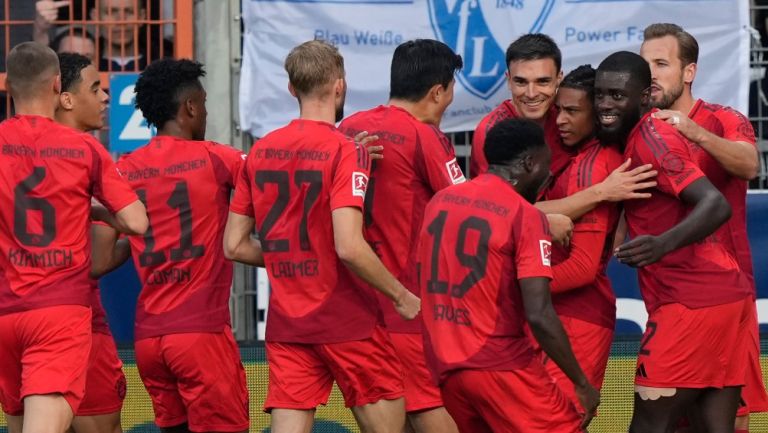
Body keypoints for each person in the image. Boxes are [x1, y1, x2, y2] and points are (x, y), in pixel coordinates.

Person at [223, 39, 420, 433]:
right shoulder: (345, 151)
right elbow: (348, 246)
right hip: (347, 319)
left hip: (288, 324)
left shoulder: (260, 151)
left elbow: (234, 245)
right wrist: (401, 295)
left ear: (292, 88)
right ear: (340, 86)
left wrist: (289, 254)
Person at [602, 51, 753, 433]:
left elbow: (715, 203)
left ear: (644, 97)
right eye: (600, 95)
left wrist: (661, 245)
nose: (606, 104)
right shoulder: (643, 136)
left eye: (617, 96)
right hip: (724, 297)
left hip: (691, 302)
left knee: (648, 425)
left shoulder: (653, 139)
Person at [417, 118, 600, 433]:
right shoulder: (525, 216)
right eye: (546, 164)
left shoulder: (439, 202)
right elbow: (539, 313)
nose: (549, 173)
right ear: (529, 163)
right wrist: (581, 383)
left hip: (447, 369)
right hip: (500, 365)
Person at [0, 41, 146, 433]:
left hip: (6, 312)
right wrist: (97, 209)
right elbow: (137, 223)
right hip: (60, 310)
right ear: (55, 86)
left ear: (9, 87)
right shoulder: (84, 147)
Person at [639, 24, 768, 432]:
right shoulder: (639, 130)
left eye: (661, 63)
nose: (651, 74)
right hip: (667, 301)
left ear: (689, 71)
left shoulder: (723, 118)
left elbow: (750, 164)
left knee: (730, 423)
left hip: (724, 300)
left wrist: (691, 131)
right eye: (645, 65)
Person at [116, 58, 249, 433]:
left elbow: (99, 259)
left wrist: (147, 240)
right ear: (190, 106)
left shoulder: (124, 169)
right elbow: (276, 180)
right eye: (204, 103)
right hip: (200, 334)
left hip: (149, 340)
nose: (206, 112)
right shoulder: (215, 158)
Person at [338, 39, 462, 433]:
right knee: (430, 413)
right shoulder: (423, 136)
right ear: (437, 91)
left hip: (356, 311)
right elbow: (467, 209)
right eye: (450, 90)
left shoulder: (349, 128)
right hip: (406, 306)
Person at [471, 34, 657, 231]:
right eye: (521, 82)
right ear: (508, 80)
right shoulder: (492, 132)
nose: (532, 93)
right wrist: (600, 193)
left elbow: (628, 109)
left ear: (559, 78)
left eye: (542, 81)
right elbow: (501, 211)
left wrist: (683, 126)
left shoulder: (568, 114)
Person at [539, 64, 622, 413]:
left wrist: (517, 284)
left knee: (557, 421)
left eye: (573, 111)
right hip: (557, 316)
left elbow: (584, 267)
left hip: (578, 319)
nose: (560, 120)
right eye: (559, 109)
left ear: (598, 115)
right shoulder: (578, 159)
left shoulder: (594, 166)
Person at [55, 51, 127, 433]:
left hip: (15, 316)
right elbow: (101, 259)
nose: (105, 98)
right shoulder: (88, 153)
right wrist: (135, 232)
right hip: (77, 319)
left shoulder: (12, 148)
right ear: (65, 98)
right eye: (96, 88)